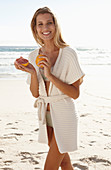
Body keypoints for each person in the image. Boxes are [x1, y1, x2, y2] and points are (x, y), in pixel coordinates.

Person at [14, 7, 85, 170]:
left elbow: (75, 94)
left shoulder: (68, 53)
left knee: (50, 167)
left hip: (65, 116)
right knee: (65, 162)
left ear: (55, 26)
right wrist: (33, 73)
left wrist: (50, 75)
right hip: (45, 117)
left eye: (49, 23)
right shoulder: (33, 56)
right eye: (40, 24)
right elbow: (35, 94)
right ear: (35, 28)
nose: (45, 28)